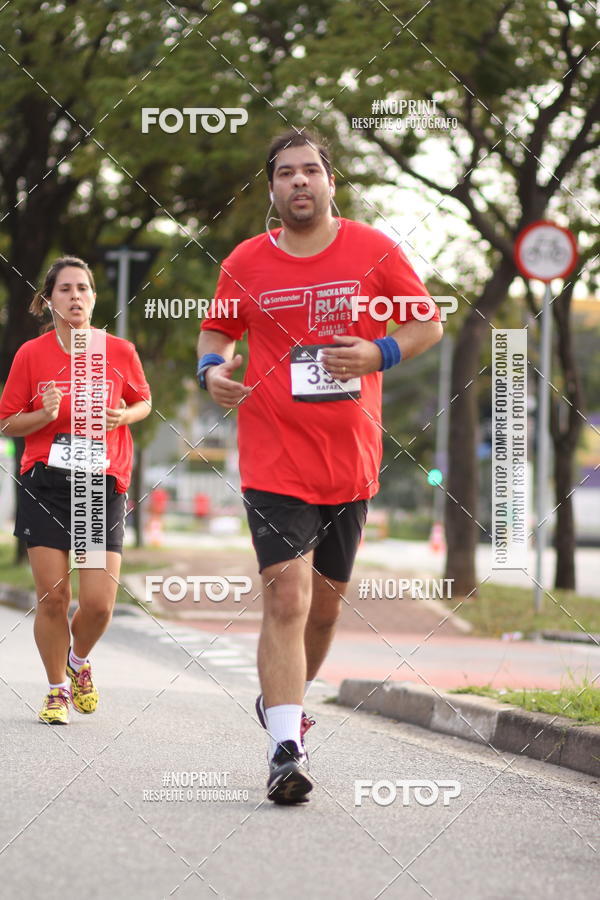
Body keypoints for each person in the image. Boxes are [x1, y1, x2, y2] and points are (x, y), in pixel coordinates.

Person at [197, 130, 443, 804]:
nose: (299, 181)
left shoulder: (374, 250)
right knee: (287, 597)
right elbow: (218, 330)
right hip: (273, 456)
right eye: (286, 173)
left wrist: (379, 353)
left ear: (331, 182)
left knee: (325, 615)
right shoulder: (246, 260)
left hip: (350, 462)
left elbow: (427, 324)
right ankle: (285, 749)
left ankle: (283, 703)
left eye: (311, 170)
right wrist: (211, 369)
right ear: (272, 188)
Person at [0, 256, 151, 724]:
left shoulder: (119, 351)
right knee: (52, 597)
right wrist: (42, 415)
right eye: (64, 289)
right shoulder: (31, 354)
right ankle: (56, 690)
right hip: (46, 482)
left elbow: (144, 401)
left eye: (83, 288)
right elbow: (6, 420)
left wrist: (124, 416)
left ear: (94, 297)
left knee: (100, 605)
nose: (75, 296)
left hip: (98, 485)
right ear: (49, 300)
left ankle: (78, 660)